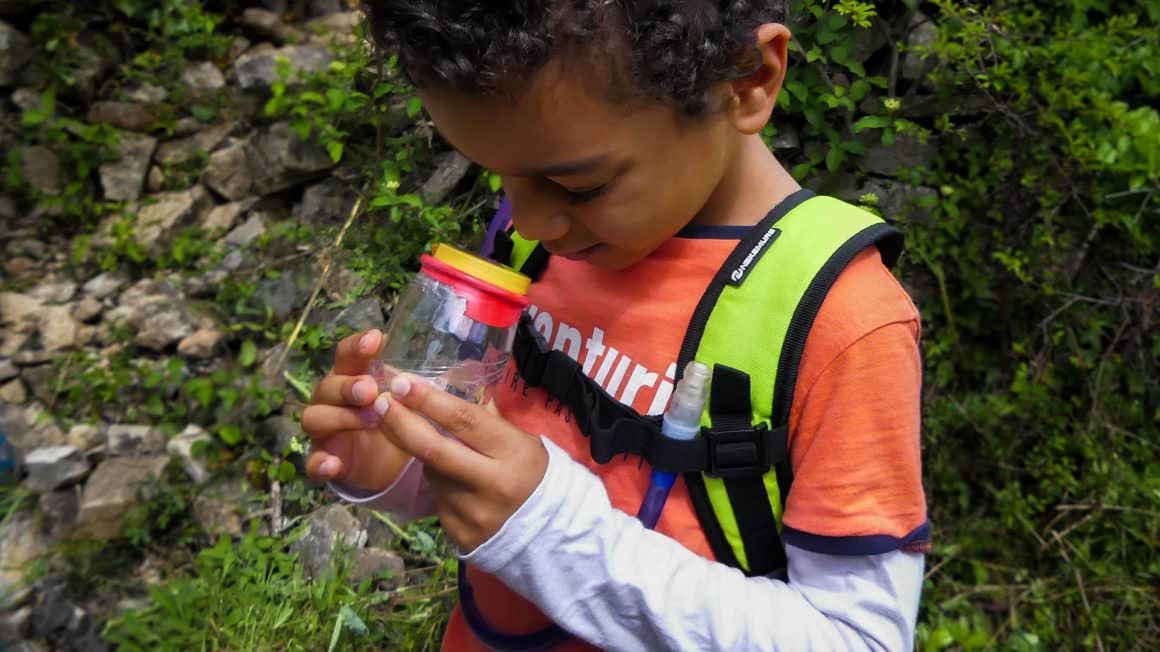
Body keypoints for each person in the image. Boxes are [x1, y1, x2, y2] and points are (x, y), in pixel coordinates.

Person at [302, 1, 930, 649]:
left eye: (580, 187)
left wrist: (552, 534)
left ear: (748, 79)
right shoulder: (547, 239)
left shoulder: (843, 323)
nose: (527, 220)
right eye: (498, 174)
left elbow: (861, 638)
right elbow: (499, 478)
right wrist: (402, 466)